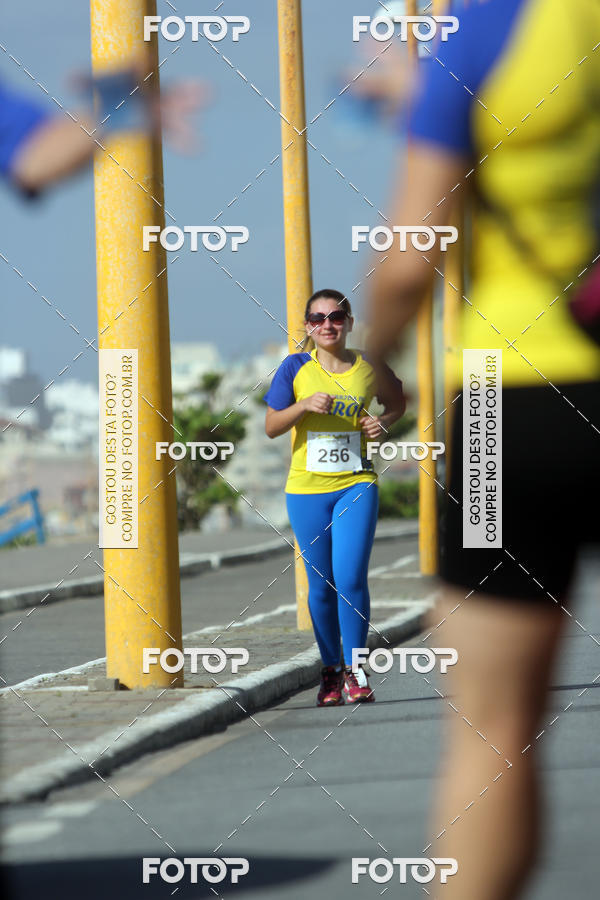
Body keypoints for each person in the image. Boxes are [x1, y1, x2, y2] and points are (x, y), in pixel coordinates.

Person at [365, 0, 600, 896]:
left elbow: (405, 263)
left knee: (493, 733)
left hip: (508, 410)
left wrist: (377, 367)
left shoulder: (483, 31)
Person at [264, 289, 406, 706]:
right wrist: (305, 405)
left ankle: (356, 670)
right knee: (320, 586)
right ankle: (330, 672)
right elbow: (272, 426)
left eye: (336, 316)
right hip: (306, 490)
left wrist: (383, 423)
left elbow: (397, 403)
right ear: (307, 326)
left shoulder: (368, 365)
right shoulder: (295, 367)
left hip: (356, 483)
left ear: (349, 322)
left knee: (350, 579)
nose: (327, 325)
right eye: (318, 318)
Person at [0, 65, 203, 196]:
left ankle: (126, 104)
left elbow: (28, 161)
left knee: (27, 169)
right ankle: (124, 102)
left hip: (32, 146)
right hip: (43, 136)